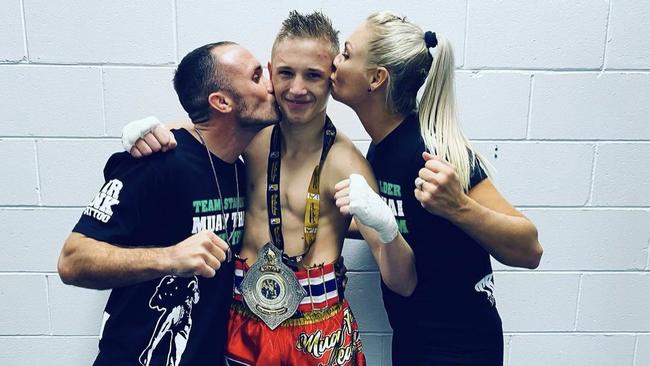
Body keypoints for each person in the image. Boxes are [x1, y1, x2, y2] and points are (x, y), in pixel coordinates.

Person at [122, 11, 416, 366]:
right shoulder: (251, 135)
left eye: (313, 75)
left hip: (319, 333)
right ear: (271, 70)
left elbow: (403, 283)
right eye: (286, 73)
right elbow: (200, 131)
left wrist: (387, 229)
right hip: (243, 321)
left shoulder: (347, 163)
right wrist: (149, 131)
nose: (296, 89)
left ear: (332, 79)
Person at [330, 11, 544, 365]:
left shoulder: (432, 150)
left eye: (347, 54)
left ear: (375, 78)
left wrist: (459, 206)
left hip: (461, 348)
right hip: (413, 340)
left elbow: (530, 249)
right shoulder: (381, 149)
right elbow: (405, 225)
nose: (335, 61)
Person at [56, 41, 280, 366]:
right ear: (221, 101)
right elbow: (72, 260)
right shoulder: (157, 162)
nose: (271, 85)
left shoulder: (242, 170)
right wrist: (171, 257)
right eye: (257, 76)